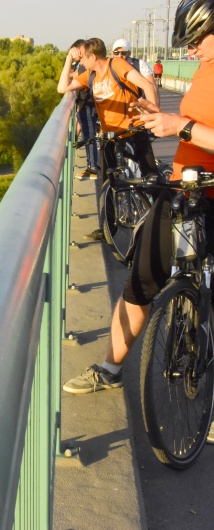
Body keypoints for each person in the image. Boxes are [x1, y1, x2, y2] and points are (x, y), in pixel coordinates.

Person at [62, 0, 214, 399]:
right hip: (184, 189)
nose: (191, 50)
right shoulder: (204, 69)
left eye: (197, 40)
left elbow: (190, 128)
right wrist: (157, 115)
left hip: (210, 195)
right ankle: (110, 369)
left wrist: (181, 126)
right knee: (140, 279)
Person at [58, 38, 159, 182]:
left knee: (151, 179)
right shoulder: (90, 75)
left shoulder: (116, 65)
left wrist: (153, 117)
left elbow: (147, 86)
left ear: (93, 57)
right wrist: (69, 58)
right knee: (109, 184)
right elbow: (62, 88)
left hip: (133, 130)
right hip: (109, 135)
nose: (80, 62)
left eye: (82, 58)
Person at [71, 39, 101, 178]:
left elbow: (66, 84)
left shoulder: (84, 66)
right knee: (91, 135)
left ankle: (92, 168)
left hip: (87, 104)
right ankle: (93, 164)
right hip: (91, 103)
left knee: (89, 136)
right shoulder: (84, 66)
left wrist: (68, 61)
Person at [111, 38, 161, 103]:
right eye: (116, 53)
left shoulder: (139, 64)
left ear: (129, 53)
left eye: (123, 53)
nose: (120, 56)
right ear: (112, 53)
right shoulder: (108, 66)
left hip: (138, 106)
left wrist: (154, 110)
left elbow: (153, 88)